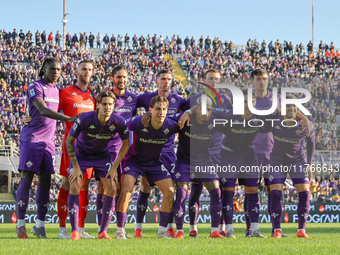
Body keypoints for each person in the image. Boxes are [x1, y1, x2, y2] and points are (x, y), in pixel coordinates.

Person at [15, 58, 77, 239]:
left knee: (46, 180)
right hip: (32, 138)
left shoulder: (57, 90)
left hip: (49, 142)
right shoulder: (36, 86)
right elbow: (41, 109)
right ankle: (20, 225)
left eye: (58, 69)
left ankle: (39, 225)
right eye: (52, 69)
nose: (56, 72)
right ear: (44, 69)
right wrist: (66, 119)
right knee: (26, 177)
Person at [66, 90, 129, 240]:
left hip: (102, 155)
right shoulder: (85, 119)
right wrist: (75, 166)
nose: (108, 107)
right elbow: (69, 141)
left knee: (112, 187)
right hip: (81, 154)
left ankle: (103, 231)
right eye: (105, 104)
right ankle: (75, 231)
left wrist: (114, 168)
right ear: (98, 105)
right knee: (75, 185)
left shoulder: (118, 121)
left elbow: (126, 144)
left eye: (111, 104)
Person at [134, 69, 189, 238]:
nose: (166, 82)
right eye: (163, 79)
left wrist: (188, 112)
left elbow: (193, 111)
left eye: (169, 79)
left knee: (171, 189)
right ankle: (138, 228)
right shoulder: (145, 98)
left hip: (168, 151)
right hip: (149, 149)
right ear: (156, 81)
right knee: (144, 187)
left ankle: (169, 226)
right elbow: (131, 109)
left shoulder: (179, 100)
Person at [116, 95, 178, 239]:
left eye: (164, 109)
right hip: (134, 160)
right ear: (150, 110)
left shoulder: (171, 125)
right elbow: (121, 124)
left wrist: (187, 113)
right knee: (126, 191)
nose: (161, 112)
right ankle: (120, 232)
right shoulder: (138, 122)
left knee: (170, 191)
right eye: (157, 109)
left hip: (154, 163)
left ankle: (162, 232)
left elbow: (185, 116)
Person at [172, 96, 226, 239]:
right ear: (196, 109)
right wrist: (187, 112)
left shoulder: (215, 120)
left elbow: (231, 116)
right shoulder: (184, 118)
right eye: (202, 108)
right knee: (182, 193)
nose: (205, 112)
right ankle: (180, 231)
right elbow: (166, 119)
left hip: (204, 161)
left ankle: (214, 231)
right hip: (184, 161)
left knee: (216, 190)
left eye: (208, 109)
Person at [264, 94, 315, 238]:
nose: (291, 108)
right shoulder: (275, 121)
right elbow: (262, 125)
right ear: (282, 107)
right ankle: (277, 230)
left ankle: (301, 230)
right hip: (277, 161)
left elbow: (311, 143)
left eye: (294, 106)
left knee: (304, 193)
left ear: (297, 108)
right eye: (288, 105)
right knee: (275, 193)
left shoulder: (306, 124)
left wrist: (309, 165)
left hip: (297, 161)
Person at [95, 65, 137, 235]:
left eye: (124, 77)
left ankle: (121, 229)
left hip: (127, 151)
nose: (121, 80)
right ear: (112, 78)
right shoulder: (105, 97)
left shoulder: (134, 99)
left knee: (124, 189)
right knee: (103, 188)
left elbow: (156, 104)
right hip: (107, 150)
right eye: (118, 77)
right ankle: (101, 227)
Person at [57, 60, 96, 239]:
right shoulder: (65, 92)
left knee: (84, 186)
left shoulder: (93, 97)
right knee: (67, 184)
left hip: (88, 149)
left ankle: (80, 228)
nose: (87, 72)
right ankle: (63, 229)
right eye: (84, 69)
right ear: (77, 71)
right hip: (70, 147)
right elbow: (51, 113)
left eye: (89, 70)